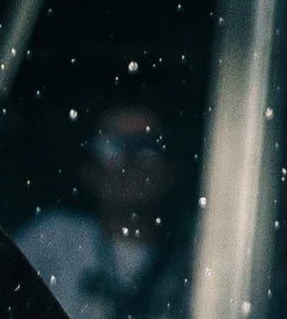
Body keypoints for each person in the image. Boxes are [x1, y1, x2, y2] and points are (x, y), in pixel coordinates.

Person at [16, 103, 191, 319]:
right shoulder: (52, 239)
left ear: (170, 170)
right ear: (87, 169)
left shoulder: (192, 260)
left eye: (148, 147)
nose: (129, 161)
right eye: (110, 147)